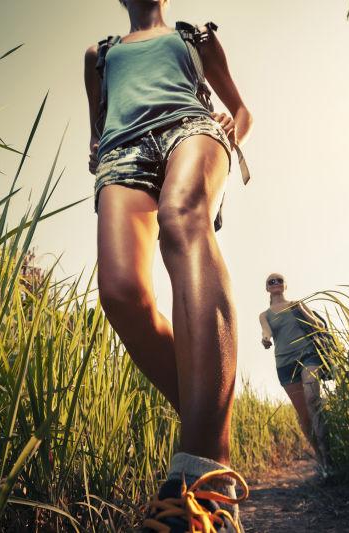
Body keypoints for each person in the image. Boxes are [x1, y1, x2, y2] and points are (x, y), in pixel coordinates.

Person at [83, 0, 253, 531]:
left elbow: (243, 110)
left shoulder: (195, 38)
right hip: (121, 152)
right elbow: (98, 127)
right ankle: (214, 422)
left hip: (190, 128)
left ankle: (203, 477)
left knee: (182, 218)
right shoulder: (99, 54)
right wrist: (98, 148)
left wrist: (230, 134)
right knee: (120, 293)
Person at [259, 273, 330, 472]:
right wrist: (265, 339)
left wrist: (302, 311)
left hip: (308, 355)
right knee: (305, 416)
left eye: (278, 280)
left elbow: (318, 326)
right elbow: (267, 331)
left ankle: (330, 458)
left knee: (313, 401)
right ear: (267, 288)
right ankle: (321, 460)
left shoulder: (297, 304)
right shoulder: (265, 315)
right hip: (285, 364)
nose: (275, 283)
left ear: (285, 285)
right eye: (271, 282)